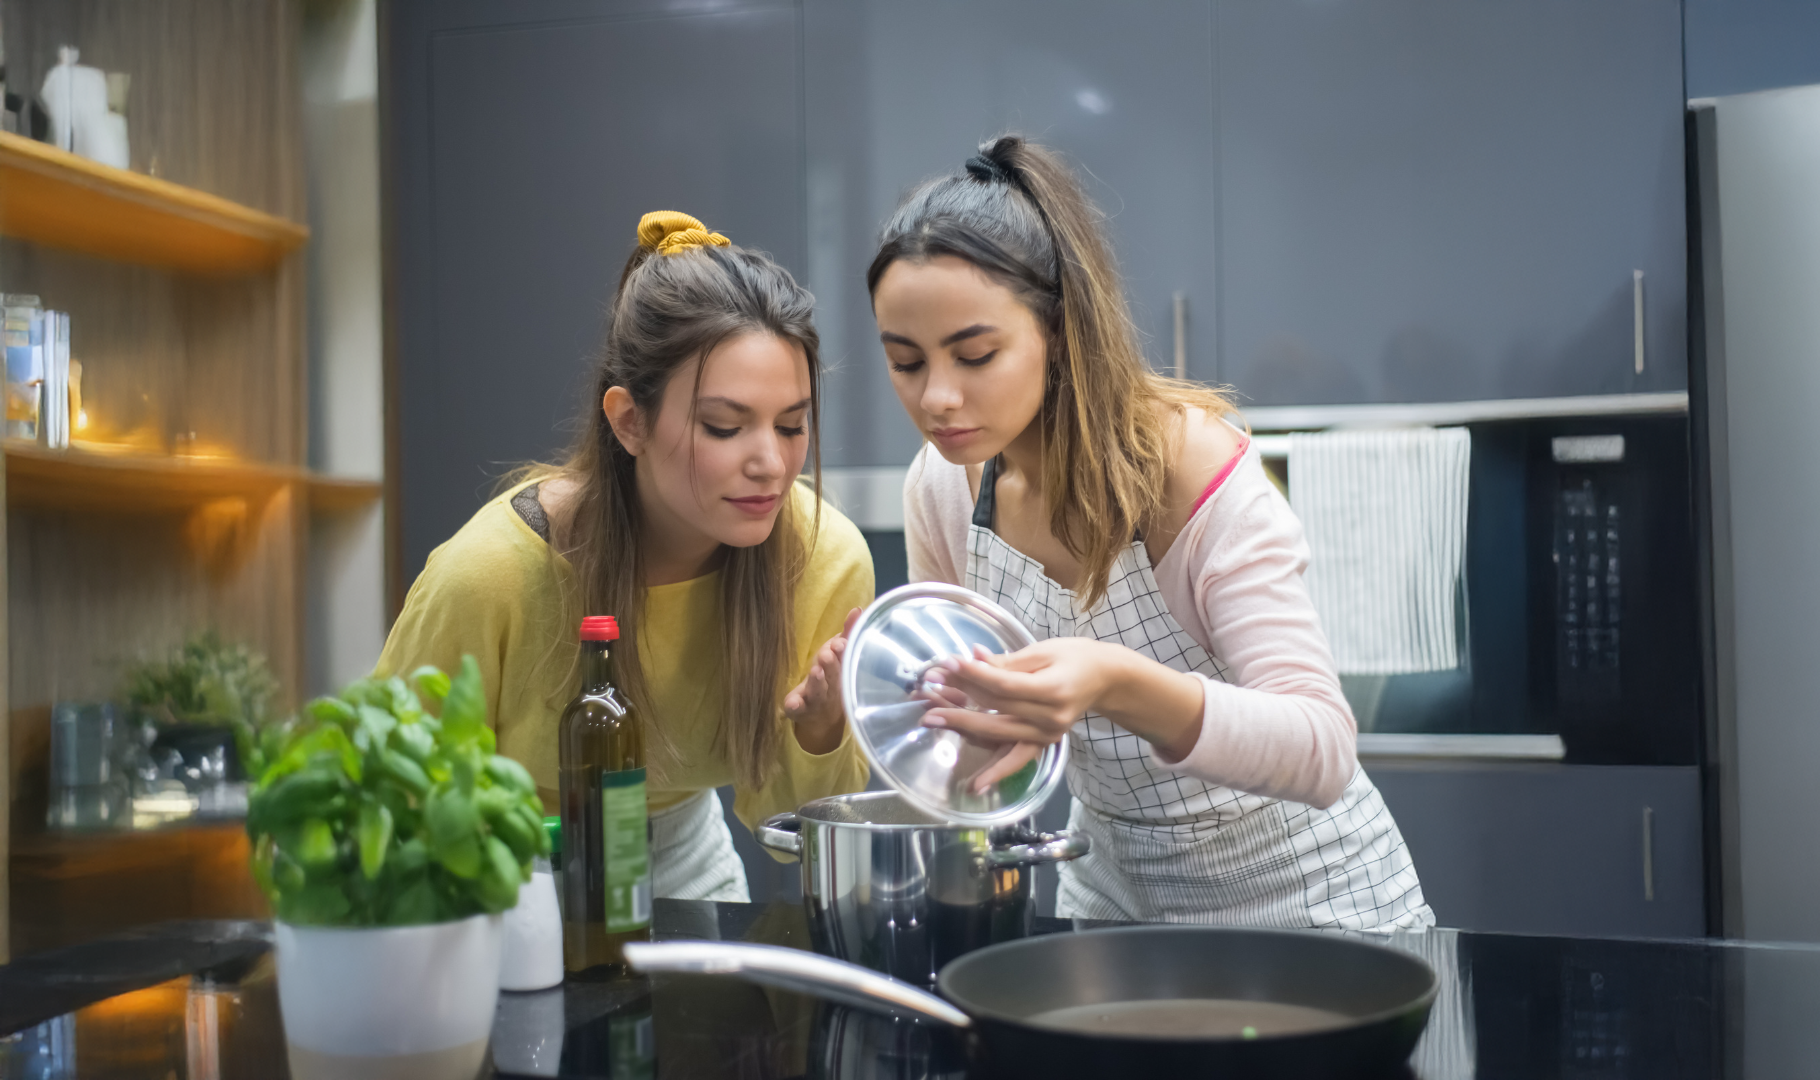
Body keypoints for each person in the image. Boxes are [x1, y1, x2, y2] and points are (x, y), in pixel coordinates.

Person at [876, 137, 1433, 929]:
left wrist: (1112, 680)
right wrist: (892, 699)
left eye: (976, 355)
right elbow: (973, 738)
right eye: (905, 362)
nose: (937, 398)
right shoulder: (941, 487)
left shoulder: (1192, 468)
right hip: (1111, 897)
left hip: (1309, 902)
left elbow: (1319, 747)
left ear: (1058, 330)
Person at [377, 211, 873, 903]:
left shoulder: (822, 558)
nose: (772, 463)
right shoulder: (486, 577)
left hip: (686, 862)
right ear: (628, 421)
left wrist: (821, 731)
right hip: (507, 871)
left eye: (793, 425)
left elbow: (797, 841)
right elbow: (388, 805)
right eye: (725, 427)